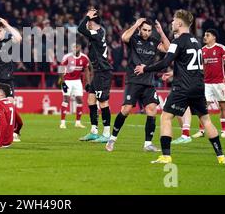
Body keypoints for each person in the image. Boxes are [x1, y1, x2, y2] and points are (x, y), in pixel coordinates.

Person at [134, 9, 225, 164]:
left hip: (182, 88)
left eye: (173, 20)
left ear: (179, 23)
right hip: (198, 86)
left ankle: (166, 156)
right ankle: (221, 156)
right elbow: (187, 64)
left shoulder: (178, 42)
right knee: (206, 120)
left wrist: (145, 68)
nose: (171, 23)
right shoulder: (197, 42)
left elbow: (165, 62)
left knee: (166, 117)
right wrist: (173, 73)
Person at [105, 18, 170, 152]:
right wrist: (135, 24)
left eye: (149, 31)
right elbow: (124, 37)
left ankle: (148, 144)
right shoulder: (134, 40)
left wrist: (161, 33)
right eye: (144, 30)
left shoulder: (154, 41)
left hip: (148, 82)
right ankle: (112, 139)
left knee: (152, 109)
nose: (146, 33)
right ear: (140, 29)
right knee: (126, 109)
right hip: (133, 80)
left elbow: (168, 49)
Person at [171, 28, 225, 144]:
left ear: (214, 37)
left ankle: (224, 131)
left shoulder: (221, 48)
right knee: (202, 108)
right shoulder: (202, 50)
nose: (205, 37)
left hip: (220, 82)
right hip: (206, 83)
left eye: (207, 35)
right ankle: (201, 130)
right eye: (204, 35)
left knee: (222, 106)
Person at [77, 8, 113, 143]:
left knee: (103, 102)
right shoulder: (98, 32)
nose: (87, 23)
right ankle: (94, 131)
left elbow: (81, 28)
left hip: (103, 72)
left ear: (92, 22)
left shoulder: (97, 33)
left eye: (89, 21)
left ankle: (107, 133)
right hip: (98, 72)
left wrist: (87, 16)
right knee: (91, 100)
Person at [58, 43, 90, 129]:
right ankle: (62, 123)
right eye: (73, 47)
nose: (74, 48)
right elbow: (61, 69)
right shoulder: (67, 57)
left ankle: (78, 122)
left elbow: (87, 70)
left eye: (76, 47)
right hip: (67, 80)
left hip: (77, 81)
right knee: (66, 99)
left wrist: (88, 82)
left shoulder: (84, 58)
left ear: (80, 47)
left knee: (79, 100)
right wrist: (63, 82)